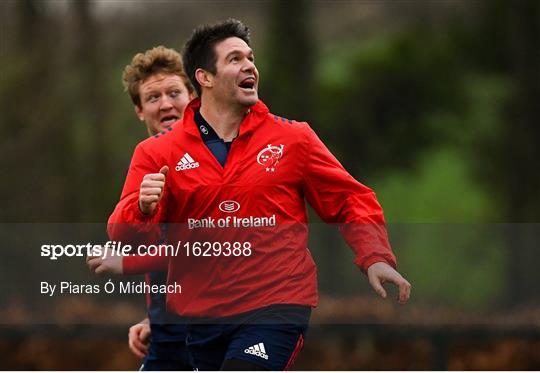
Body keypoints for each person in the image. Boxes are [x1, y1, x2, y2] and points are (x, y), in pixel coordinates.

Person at [101, 19, 411, 371]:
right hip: (200, 319)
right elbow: (122, 236)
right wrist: (142, 207)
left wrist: (375, 256)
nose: (249, 65)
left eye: (250, 58)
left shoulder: (294, 139)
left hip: (276, 306)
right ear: (205, 78)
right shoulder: (155, 154)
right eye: (234, 59)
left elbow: (349, 199)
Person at [90, 45, 195, 371]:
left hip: (215, 328)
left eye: (174, 92)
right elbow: (120, 232)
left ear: (193, 96)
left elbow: (207, 251)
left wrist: (126, 263)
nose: (165, 104)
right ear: (139, 110)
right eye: (152, 98)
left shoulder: (216, 156)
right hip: (166, 330)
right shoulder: (146, 157)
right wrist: (153, 319)